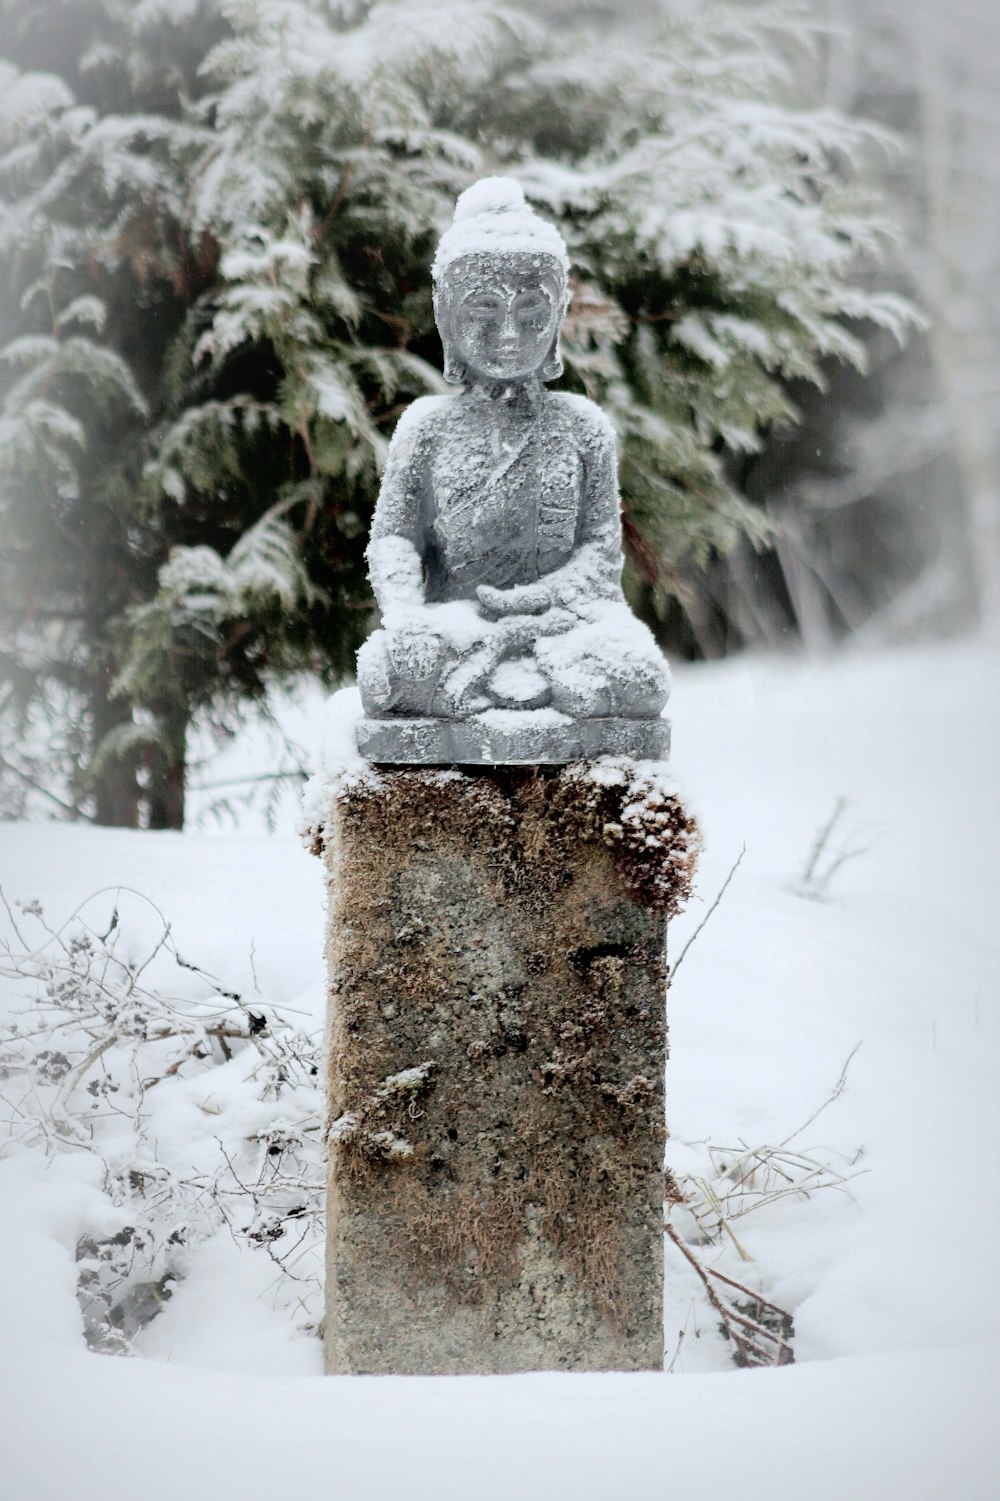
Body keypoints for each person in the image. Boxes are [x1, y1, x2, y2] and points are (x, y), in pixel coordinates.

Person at [357, 177, 670, 723]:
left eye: (530, 316)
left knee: (641, 676)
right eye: (482, 312)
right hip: (459, 620)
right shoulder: (426, 428)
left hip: (563, 625)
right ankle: (511, 683)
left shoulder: (582, 426)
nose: (508, 334)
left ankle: (490, 686)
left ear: (557, 317)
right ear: (447, 318)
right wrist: (406, 617)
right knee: (389, 673)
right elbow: (393, 541)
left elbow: (599, 550)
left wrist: (532, 606)